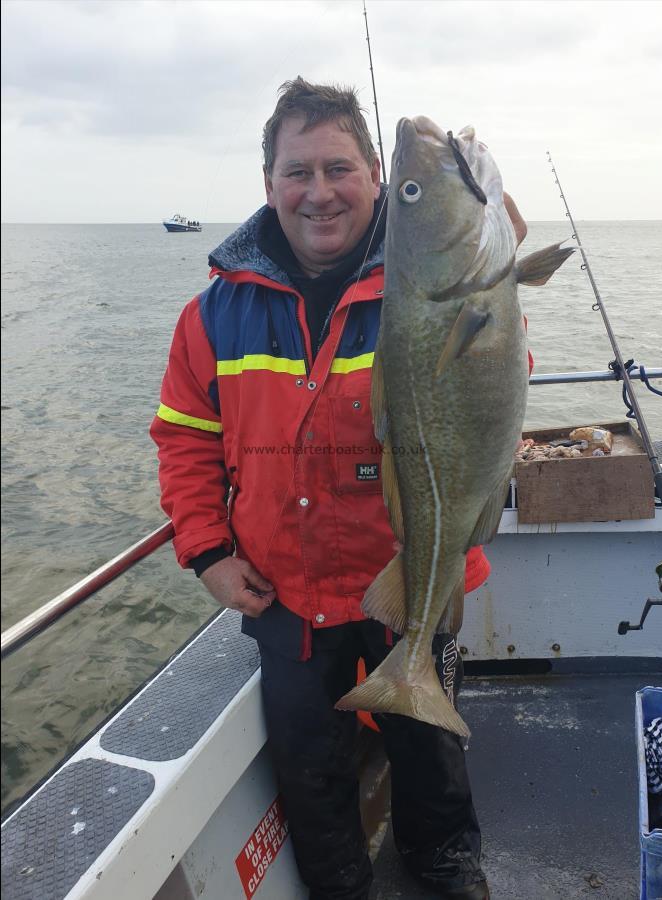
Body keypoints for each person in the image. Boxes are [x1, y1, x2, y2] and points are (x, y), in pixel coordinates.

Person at [151, 77, 527, 900]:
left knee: (430, 755)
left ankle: (444, 864)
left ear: (377, 182)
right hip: (283, 595)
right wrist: (208, 553)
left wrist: (482, 238)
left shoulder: (427, 280)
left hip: (406, 565)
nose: (318, 192)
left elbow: (491, 390)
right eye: (297, 172)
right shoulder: (212, 317)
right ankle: (339, 887)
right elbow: (182, 440)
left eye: (339, 168)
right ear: (268, 186)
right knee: (310, 772)